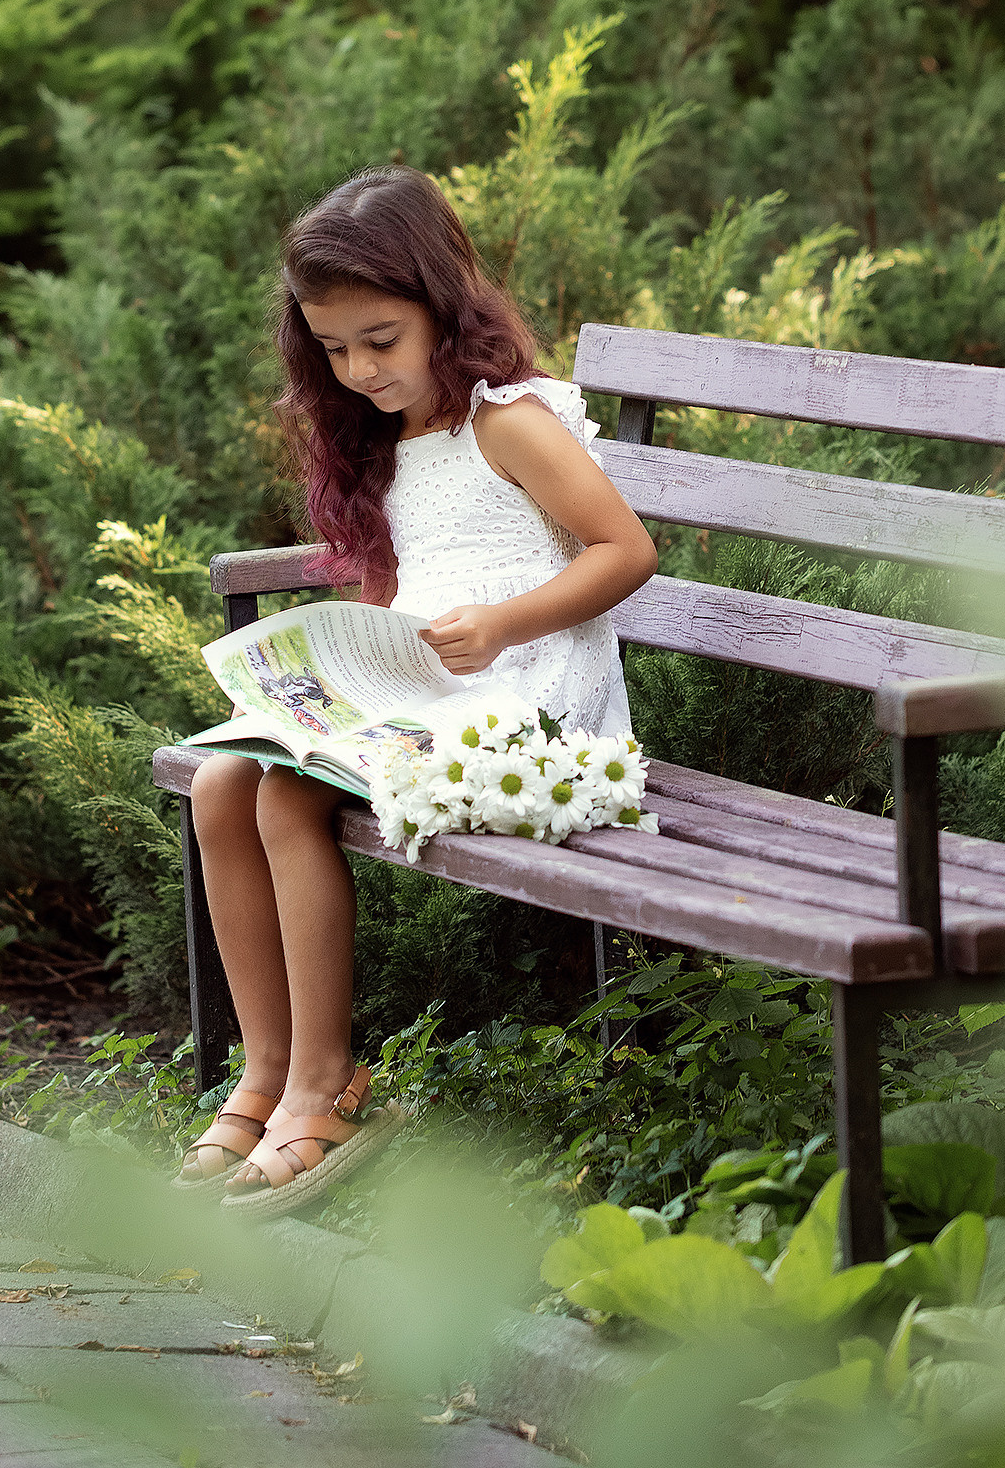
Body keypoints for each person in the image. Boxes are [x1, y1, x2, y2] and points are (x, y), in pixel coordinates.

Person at [174, 166, 658, 1209]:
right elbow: (401, 585)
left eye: (378, 340)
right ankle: (264, 1073)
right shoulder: (383, 441)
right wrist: (349, 655)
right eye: (333, 347)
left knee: (287, 791)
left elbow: (625, 550)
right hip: (429, 691)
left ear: (441, 303)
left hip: (531, 694)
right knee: (221, 783)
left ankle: (325, 1083)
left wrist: (502, 622)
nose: (356, 368)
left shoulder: (509, 422)